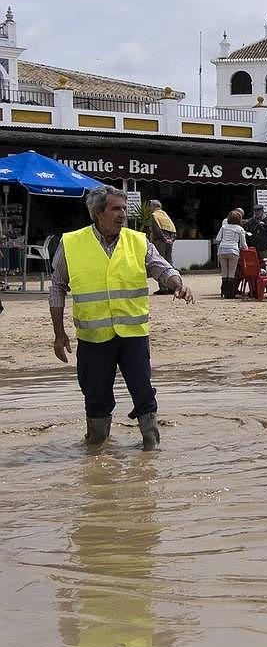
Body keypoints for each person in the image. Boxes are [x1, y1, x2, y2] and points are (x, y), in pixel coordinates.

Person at [50, 185, 195, 451]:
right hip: (93, 338)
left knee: (143, 392)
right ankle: (96, 447)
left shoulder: (138, 241)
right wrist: (59, 334)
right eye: (116, 209)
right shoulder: (70, 243)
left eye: (125, 208)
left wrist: (177, 284)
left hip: (133, 335)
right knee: (96, 396)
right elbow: (57, 286)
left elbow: (162, 268)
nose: (123, 214)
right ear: (97, 213)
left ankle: (151, 448)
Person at [214, 210, 248, 298]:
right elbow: (243, 244)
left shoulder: (224, 227)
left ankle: (223, 291)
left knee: (224, 272)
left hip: (222, 250)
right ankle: (230, 293)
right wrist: (244, 248)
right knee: (231, 272)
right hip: (233, 250)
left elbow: (217, 239)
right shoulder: (240, 229)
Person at [147, 199, 178, 294]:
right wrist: (170, 240)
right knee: (169, 262)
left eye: (150, 206)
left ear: (154, 206)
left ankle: (163, 288)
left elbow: (156, 230)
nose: (149, 208)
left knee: (160, 262)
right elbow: (173, 229)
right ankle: (173, 286)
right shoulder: (165, 216)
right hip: (169, 242)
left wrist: (164, 239)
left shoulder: (154, 215)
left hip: (160, 241)